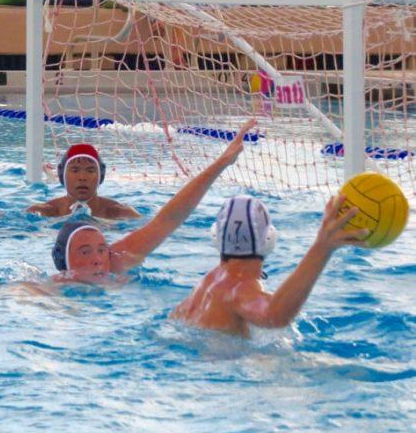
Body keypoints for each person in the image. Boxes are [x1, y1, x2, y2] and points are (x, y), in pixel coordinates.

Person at [49, 119, 255, 284]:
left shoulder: (115, 262)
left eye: (103, 250)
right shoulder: (48, 291)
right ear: (63, 262)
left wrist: (222, 162)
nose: (98, 260)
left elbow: (167, 220)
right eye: (85, 252)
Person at [170, 194, 368, 337]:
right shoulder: (238, 288)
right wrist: (322, 247)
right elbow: (275, 316)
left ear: (216, 237)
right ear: (269, 239)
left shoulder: (206, 284)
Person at [28, 143, 139, 220]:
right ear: (62, 174)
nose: (82, 177)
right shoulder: (42, 212)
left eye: (90, 170)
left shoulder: (122, 214)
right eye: (75, 170)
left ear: (101, 175)